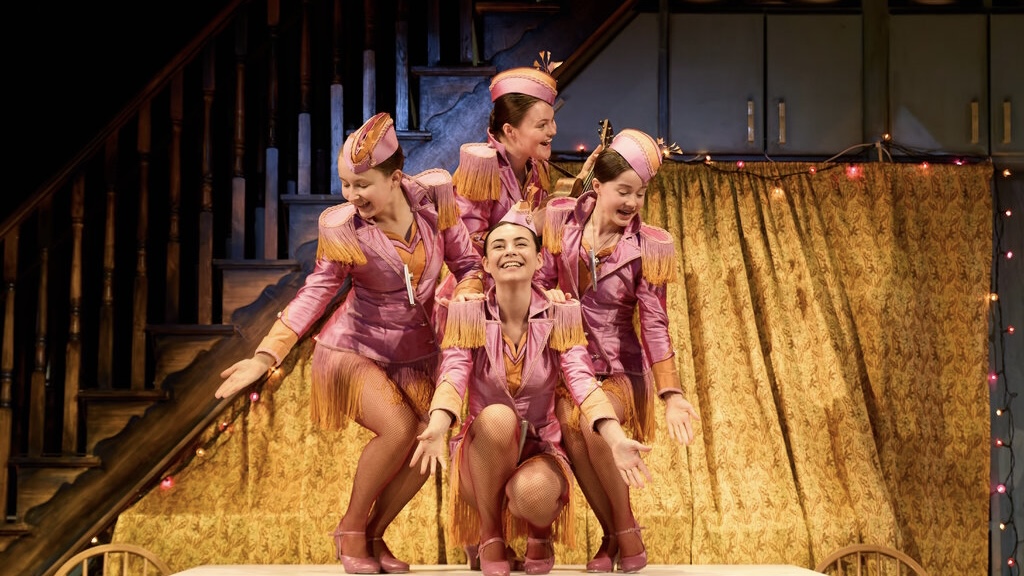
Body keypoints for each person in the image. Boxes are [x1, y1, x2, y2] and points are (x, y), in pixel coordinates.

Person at [214, 112, 484, 575]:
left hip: (417, 354)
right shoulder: (342, 228)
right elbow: (316, 292)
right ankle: (351, 529)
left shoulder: (437, 205)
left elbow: (469, 265)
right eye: (345, 185)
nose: (352, 196)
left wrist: (467, 291)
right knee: (398, 428)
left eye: (362, 185)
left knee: (428, 442)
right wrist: (266, 354)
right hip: (352, 349)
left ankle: (375, 535)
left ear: (395, 177)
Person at [411, 203, 653, 576]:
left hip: (540, 450)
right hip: (483, 455)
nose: (510, 250)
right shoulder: (468, 313)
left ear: (539, 261)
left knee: (535, 493)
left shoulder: (562, 314)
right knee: (497, 417)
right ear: (486, 265)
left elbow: (582, 380)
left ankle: (540, 532)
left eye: (521, 244)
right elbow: (452, 374)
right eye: (499, 245)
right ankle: (491, 535)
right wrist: (439, 424)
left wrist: (615, 436)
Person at [536, 129, 701, 573]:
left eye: (640, 194)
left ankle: (625, 533)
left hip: (620, 370)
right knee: (571, 428)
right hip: (567, 365)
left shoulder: (651, 245)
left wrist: (672, 394)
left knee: (593, 426)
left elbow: (654, 322)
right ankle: (611, 536)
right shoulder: (559, 221)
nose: (631, 202)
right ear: (598, 185)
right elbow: (538, 281)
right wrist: (545, 295)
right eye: (623, 191)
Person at [451, 52, 600, 255]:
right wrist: (527, 228)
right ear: (509, 131)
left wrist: (582, 181)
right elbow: (468, 246)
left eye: (552, 120)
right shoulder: (479, 169)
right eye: (542, 125)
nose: (553, 131)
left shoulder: (538, 165)